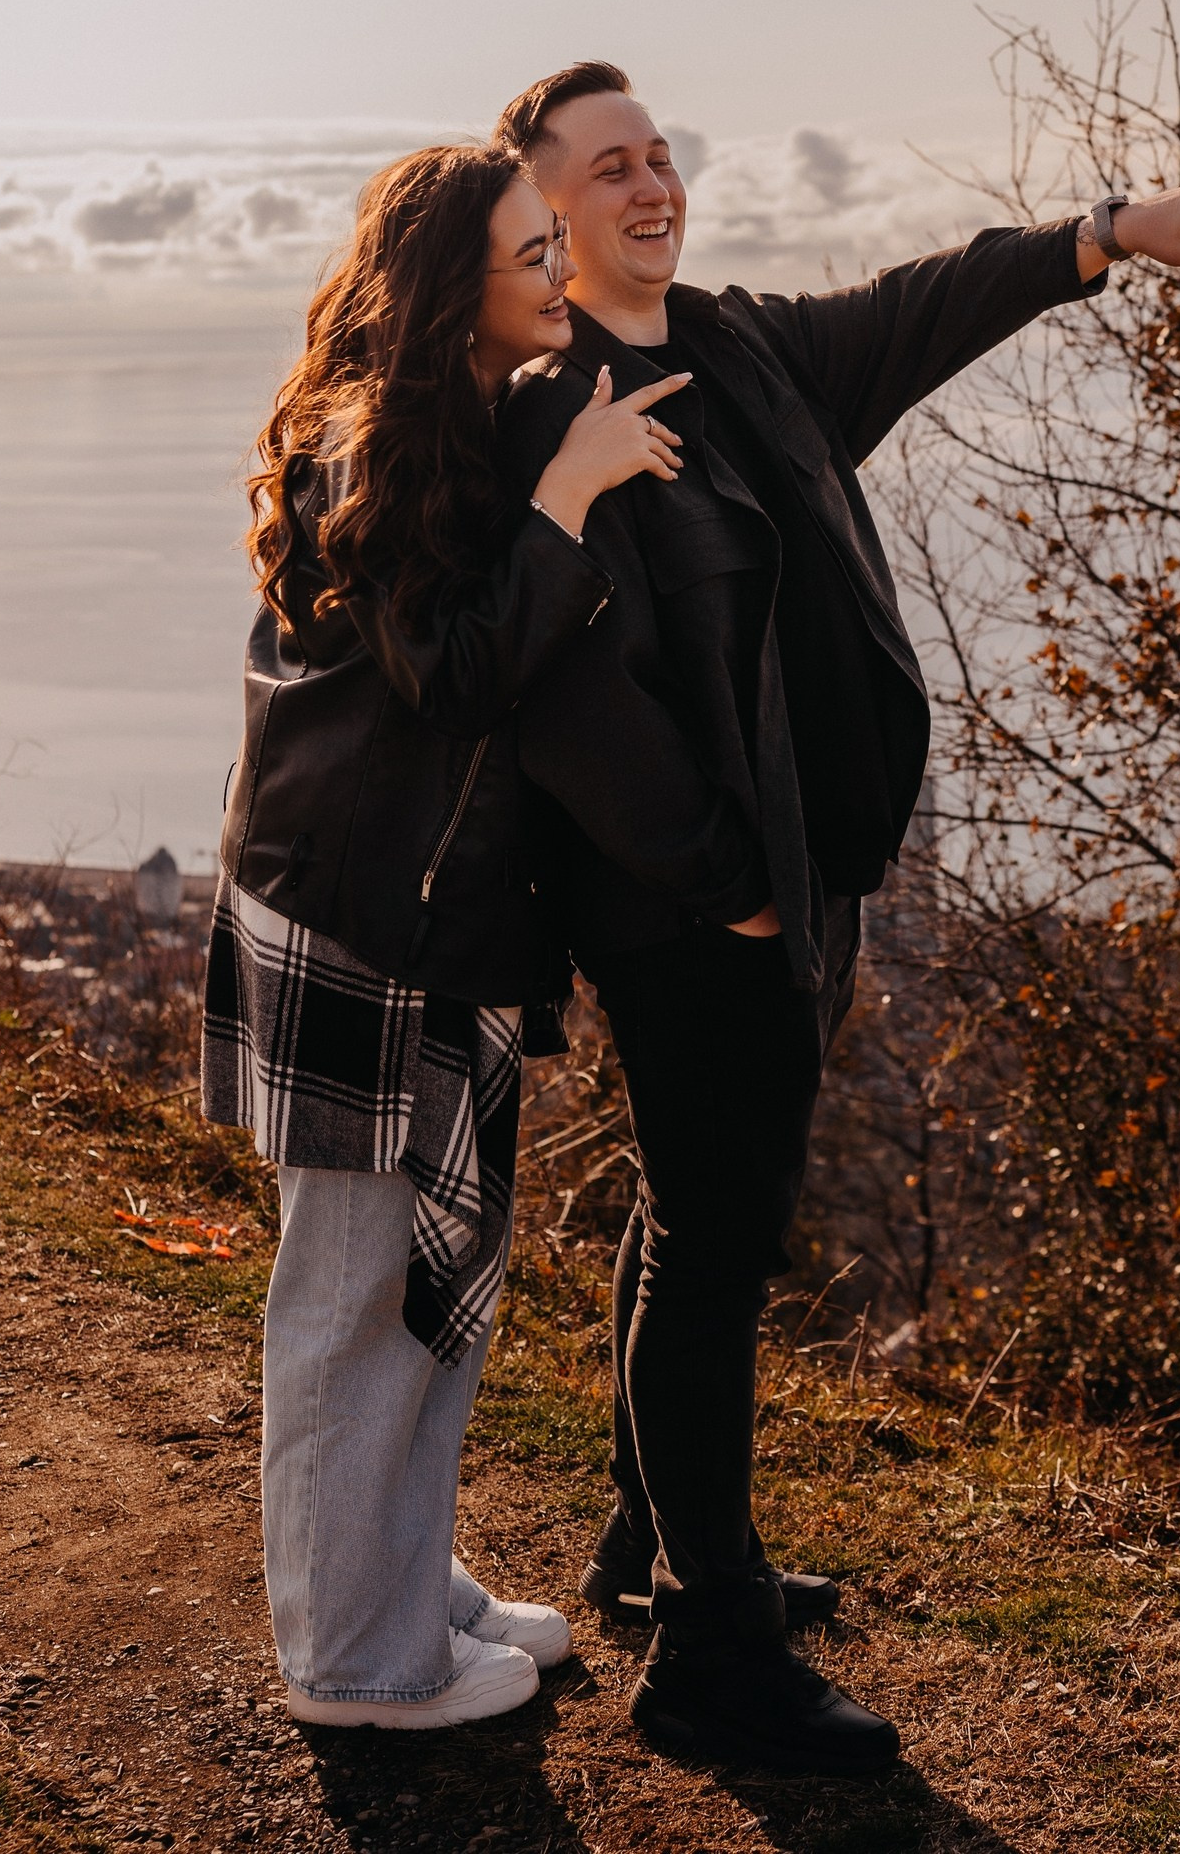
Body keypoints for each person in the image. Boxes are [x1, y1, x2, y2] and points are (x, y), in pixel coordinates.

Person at [494, 60, 1180, 1776]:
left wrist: (1106, 236)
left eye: (660, 155)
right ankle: (713, 1653)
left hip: (797, 878)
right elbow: (577, 714)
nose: (649, 186)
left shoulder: (745, 346)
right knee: (720, 1250)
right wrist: (732, 904)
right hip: (697, 909)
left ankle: (652, 1551)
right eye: (607, 168)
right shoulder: (548, 414)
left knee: (687, 1216)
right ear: (544, 210)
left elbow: (925, 304)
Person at [201, 140, 692, 1730]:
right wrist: (566, 496)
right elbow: (456, 679)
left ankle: (397, 1570)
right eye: (532, 255)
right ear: (448, 291)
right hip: (360, 924)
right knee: (352, 1299)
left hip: (426, 917)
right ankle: (357, 1656)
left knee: (432, 1281)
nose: (562, 273)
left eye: (557, 245)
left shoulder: (449, 416)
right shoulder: (371, 446)